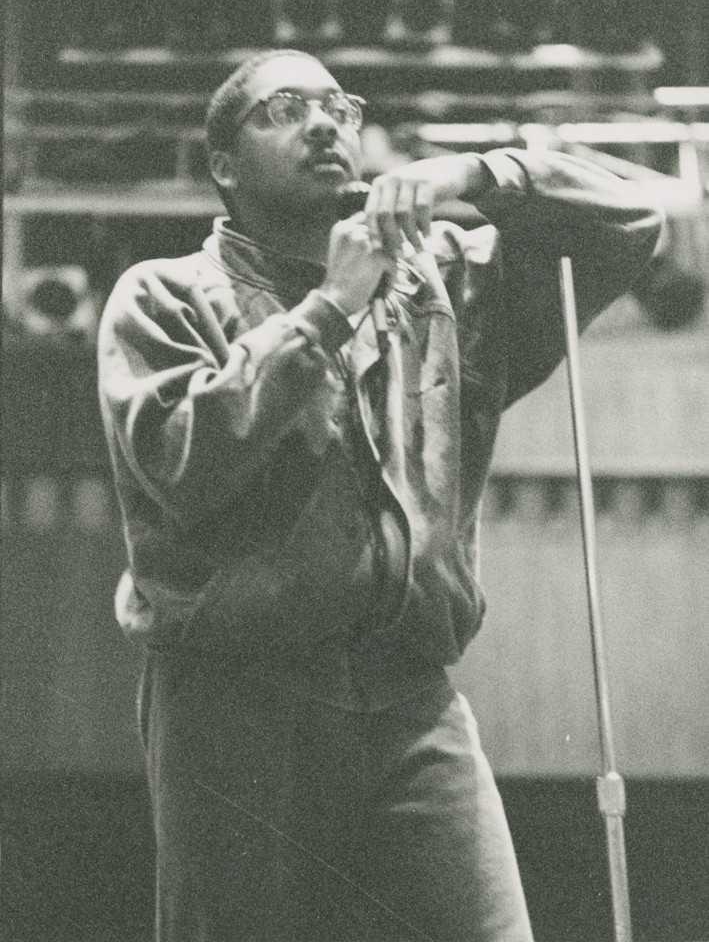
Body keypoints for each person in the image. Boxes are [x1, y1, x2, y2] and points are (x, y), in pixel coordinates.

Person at [97, 48, 662, 942]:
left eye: (339, 105)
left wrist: (476, 173)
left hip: (409, 697)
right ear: (224, 166)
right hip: (236, 703)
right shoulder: (162, 296)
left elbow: (634, 218)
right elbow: (183, 465)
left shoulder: (443, 280)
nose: (325, 122)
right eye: (285, 107)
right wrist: (327, 308)